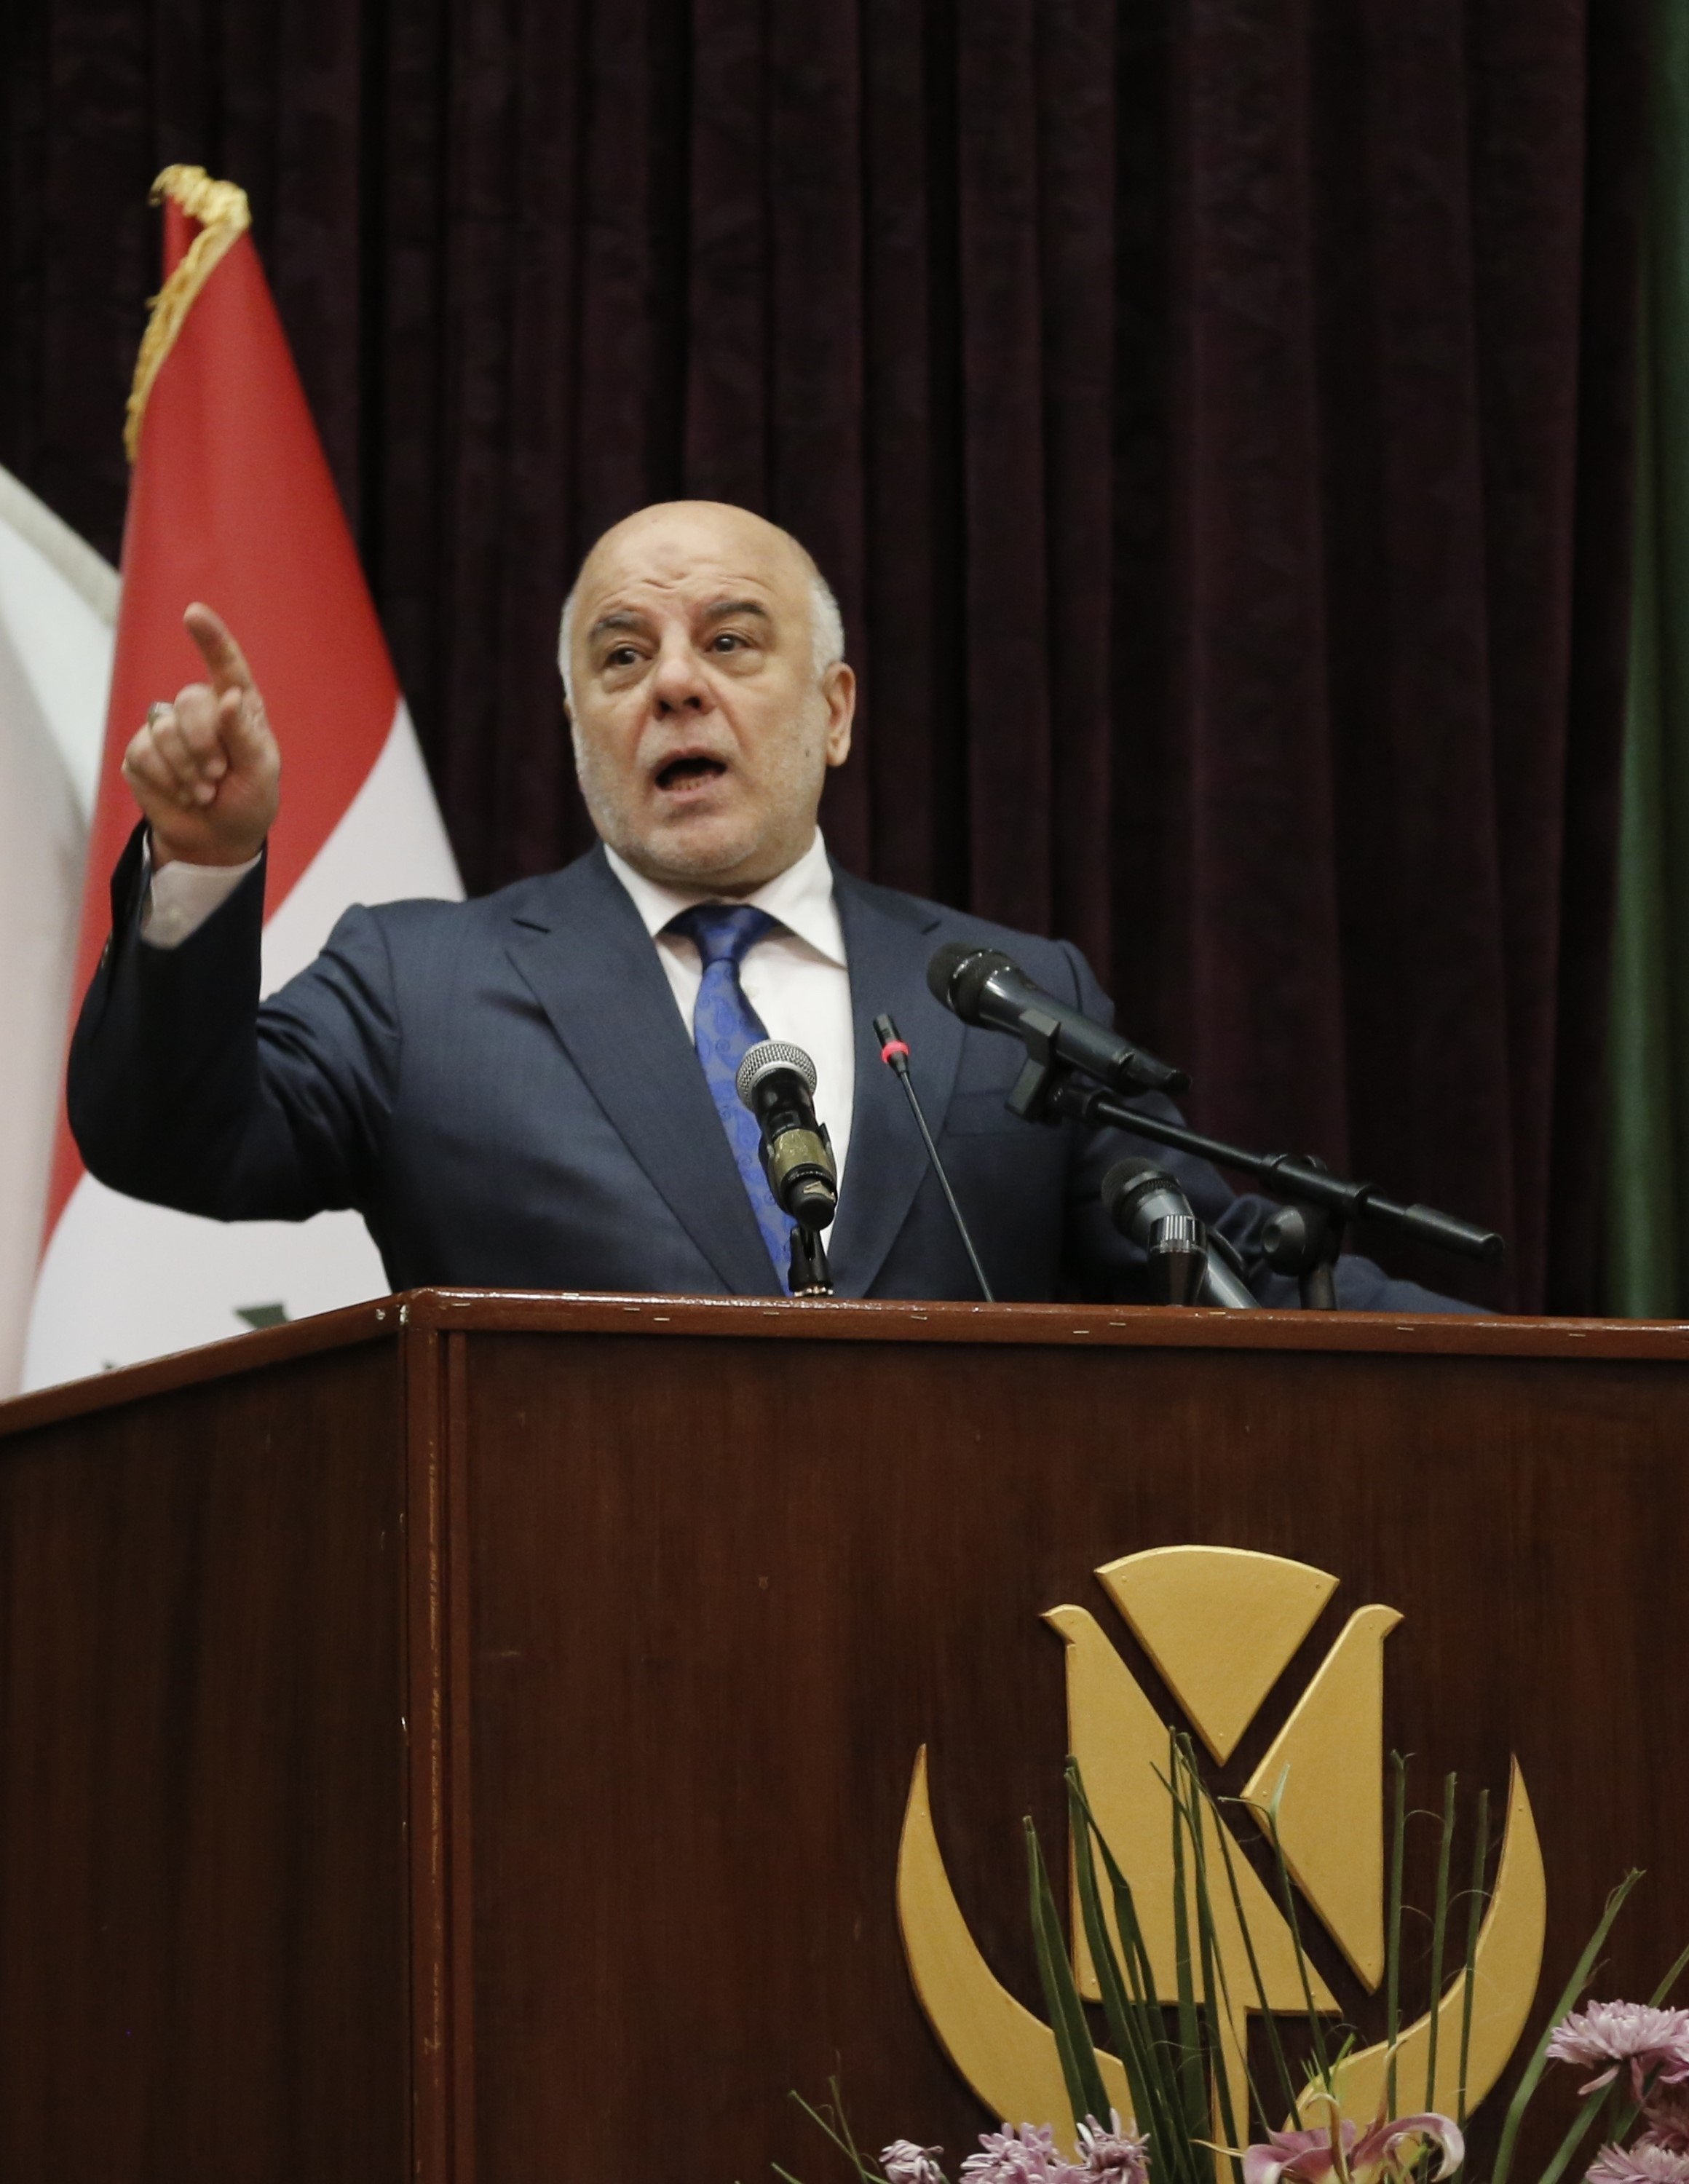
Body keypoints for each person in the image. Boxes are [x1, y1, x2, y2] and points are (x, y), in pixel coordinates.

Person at [68, 499, 1468, 1310]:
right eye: (623, 657)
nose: (676, 681)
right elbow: (172, 1140)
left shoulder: (1003, 996)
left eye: (732, 641)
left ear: (835, 709)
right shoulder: (418, 986)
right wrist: (199, 862)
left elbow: (1201, 1264)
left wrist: (1577, 1364)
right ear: (581, 728)